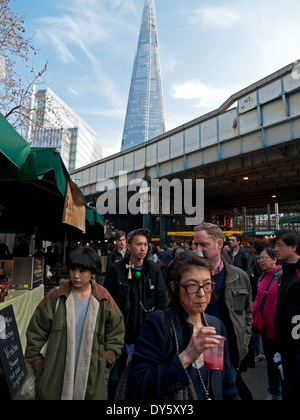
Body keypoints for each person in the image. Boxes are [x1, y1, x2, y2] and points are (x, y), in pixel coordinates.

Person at [127, 253, 239, 400]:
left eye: (207, 285)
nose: (202, 294)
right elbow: (137, 386)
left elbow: (227, 385)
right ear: (175, 287)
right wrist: (187, 356)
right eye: (192, 286)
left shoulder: (215, 326)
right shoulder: (159, 323)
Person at [25, 246, 125, 400]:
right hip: (54, 376)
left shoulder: (103, 299)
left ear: (92, 272)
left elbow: (116, 331)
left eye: (82, 271)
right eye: (73, 270)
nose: (76, 276)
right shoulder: (56, 296)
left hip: (90, 377)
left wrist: (105, 358)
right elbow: (35, 332)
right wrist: (39, 365)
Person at [104, 228, 168, 399]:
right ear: (129, 246)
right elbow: (106, 304)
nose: (143, 248)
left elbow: (162, 303)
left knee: (144, 379)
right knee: (115, 379)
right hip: (120, 337)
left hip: (145, 337)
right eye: (138, 244)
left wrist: (159, 332)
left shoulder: (153, 269)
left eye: (145, 244)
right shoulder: (116, 269)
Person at [193, 223, 253, 399]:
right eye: (194, 244)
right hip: (196, 352)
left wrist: (243, 342)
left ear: (219, 244)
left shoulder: (239, 277)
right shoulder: (187, 274)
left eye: (203, 245)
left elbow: (247, 313)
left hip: (228, 353)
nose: (198, 249)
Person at [253, 247, 282, 400]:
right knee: (271, 363)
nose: (261, 261)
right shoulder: (262, 277)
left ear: (275, 259)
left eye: (264, 258)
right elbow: (258, 299)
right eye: (260, 259)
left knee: (282, 364)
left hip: (280, 329)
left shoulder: (282, 276)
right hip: (265, 329)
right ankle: (274, 392)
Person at [274, 230, 300, 400]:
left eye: (279, 245)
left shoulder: (296, 274)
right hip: (286, 345)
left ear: (293, 247)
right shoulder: (286, 272)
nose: (275, 249)